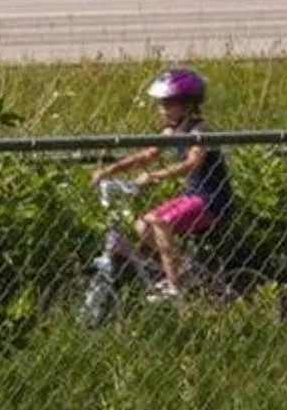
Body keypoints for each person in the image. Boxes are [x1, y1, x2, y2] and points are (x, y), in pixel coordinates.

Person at [90, 66, 234, 296]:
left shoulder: (200, 130)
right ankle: (178, 265)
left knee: (158, 220)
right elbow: (149, 155)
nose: (162, 110)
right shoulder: (172, 131)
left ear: (187, 104)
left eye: (168, 104)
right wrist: (110, 170)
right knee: (142, 225)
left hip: (212, 199)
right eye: (161, 104)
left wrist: (156, 176)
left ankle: (174, 284)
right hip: (192, 196)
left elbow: (192, 163)